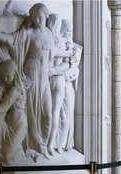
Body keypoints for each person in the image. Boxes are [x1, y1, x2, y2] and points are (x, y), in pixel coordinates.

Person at [0, 3, 72, 159]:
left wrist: (68, 53)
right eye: (35, 17)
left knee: (47, 114)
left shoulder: (50, 34)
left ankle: (44, 146)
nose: (38, 20)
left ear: (46, 16)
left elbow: (53, 51)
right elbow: (12, 40)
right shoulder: (28, 33)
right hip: (31, 75)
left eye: (41, 17)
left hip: (44, 77)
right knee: (31, 112)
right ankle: (32, 147)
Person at [46, 14, 70, 155]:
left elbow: (66, 63)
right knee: (52, 113)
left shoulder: (50, 38)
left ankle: (50, 145)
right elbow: (65, 62)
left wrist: (53, 70)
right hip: (55, 79)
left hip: (52, 78)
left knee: (52, 113)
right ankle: (48, 145)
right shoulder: (59, 41)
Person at [58, 19, 82, 151]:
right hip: (58, 82)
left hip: (68, 85)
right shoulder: (58, 45)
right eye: (66, 30)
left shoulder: (74, 48)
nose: (68, 33)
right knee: (57, 115)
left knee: (67, 115)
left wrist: (73, 72)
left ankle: (62, 144)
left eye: (70, 31)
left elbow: (74, 67)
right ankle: (56, 145)